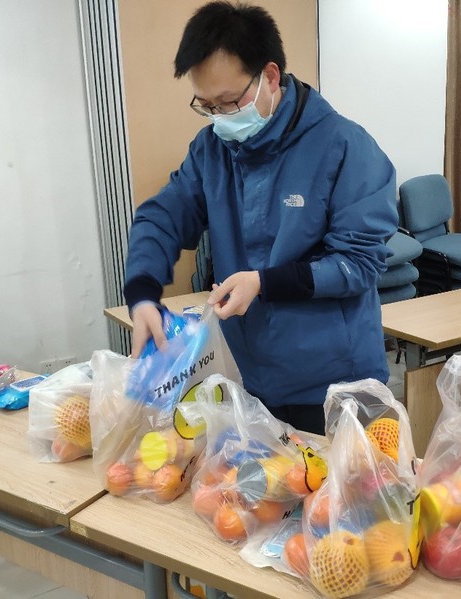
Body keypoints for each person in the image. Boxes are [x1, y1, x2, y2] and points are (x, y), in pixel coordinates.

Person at [124, 1, 397, 435]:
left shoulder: (345, 146)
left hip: (334, 383)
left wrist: (264, 282)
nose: (219, 118)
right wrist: (142, 293)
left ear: (270, 77)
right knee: (262, 478)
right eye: (206, 106)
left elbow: (358, 264)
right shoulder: (211, 151)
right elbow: (163, 218)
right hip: (252, 378)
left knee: (339, 479)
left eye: (229, 102)